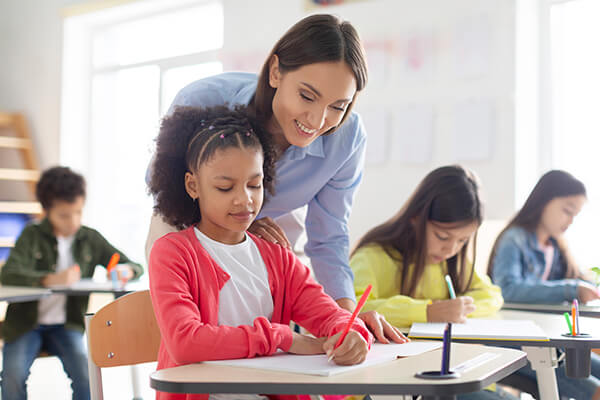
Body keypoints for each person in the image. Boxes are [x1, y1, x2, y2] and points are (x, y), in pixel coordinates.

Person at [144, 14, 402, 341]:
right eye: (307, 96)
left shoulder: (347, 138)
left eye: (338, 106)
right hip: (186, 215)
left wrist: (345, 320)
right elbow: (162, 186)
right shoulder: (204, 99)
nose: (317, 120)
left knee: (269, 319)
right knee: (199, 336)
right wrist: (236, 219)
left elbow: (329, 235)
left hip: (271, 223)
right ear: (276, 71)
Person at [147, 106, 387, 400]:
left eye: (254, 184)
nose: (244, 199)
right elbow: (185, 342)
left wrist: (351, 334)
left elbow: (329, 314)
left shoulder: (278, 258)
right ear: (193, 185)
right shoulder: (173, 253)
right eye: (225, 187)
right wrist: (282, 338)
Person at [350, 165, 510, 400]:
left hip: (448, 372)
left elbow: (493, 295)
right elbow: (353, 309)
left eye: (463, 241)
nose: (451, 249)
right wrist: (427, 311)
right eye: (443, 237)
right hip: (389, 383)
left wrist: (461, 307)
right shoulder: (374, 256)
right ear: (416, 218)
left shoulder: (451, 262)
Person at [0, 166, 143, 400]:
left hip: (67, 327)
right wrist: (49, 279)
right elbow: (8, 274)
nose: (73, 221)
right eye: (64, 215)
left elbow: (135, 266)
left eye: (78, 212)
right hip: (25, 326)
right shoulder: (31, 235)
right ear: (47, 211)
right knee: (13, 376)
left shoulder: (90, 238)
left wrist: (124, 270)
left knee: (87, 374)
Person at [488, 170, 600, 400]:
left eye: (575, 215)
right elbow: (507, 290)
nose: (570, 221)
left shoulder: (557, 246)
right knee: (590, 387)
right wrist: (571, 288)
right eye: (567, 211)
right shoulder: (514, 238)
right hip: (517, 342)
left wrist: (585, 287)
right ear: (544, 201)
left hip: (549, 339)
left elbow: (580, 279)